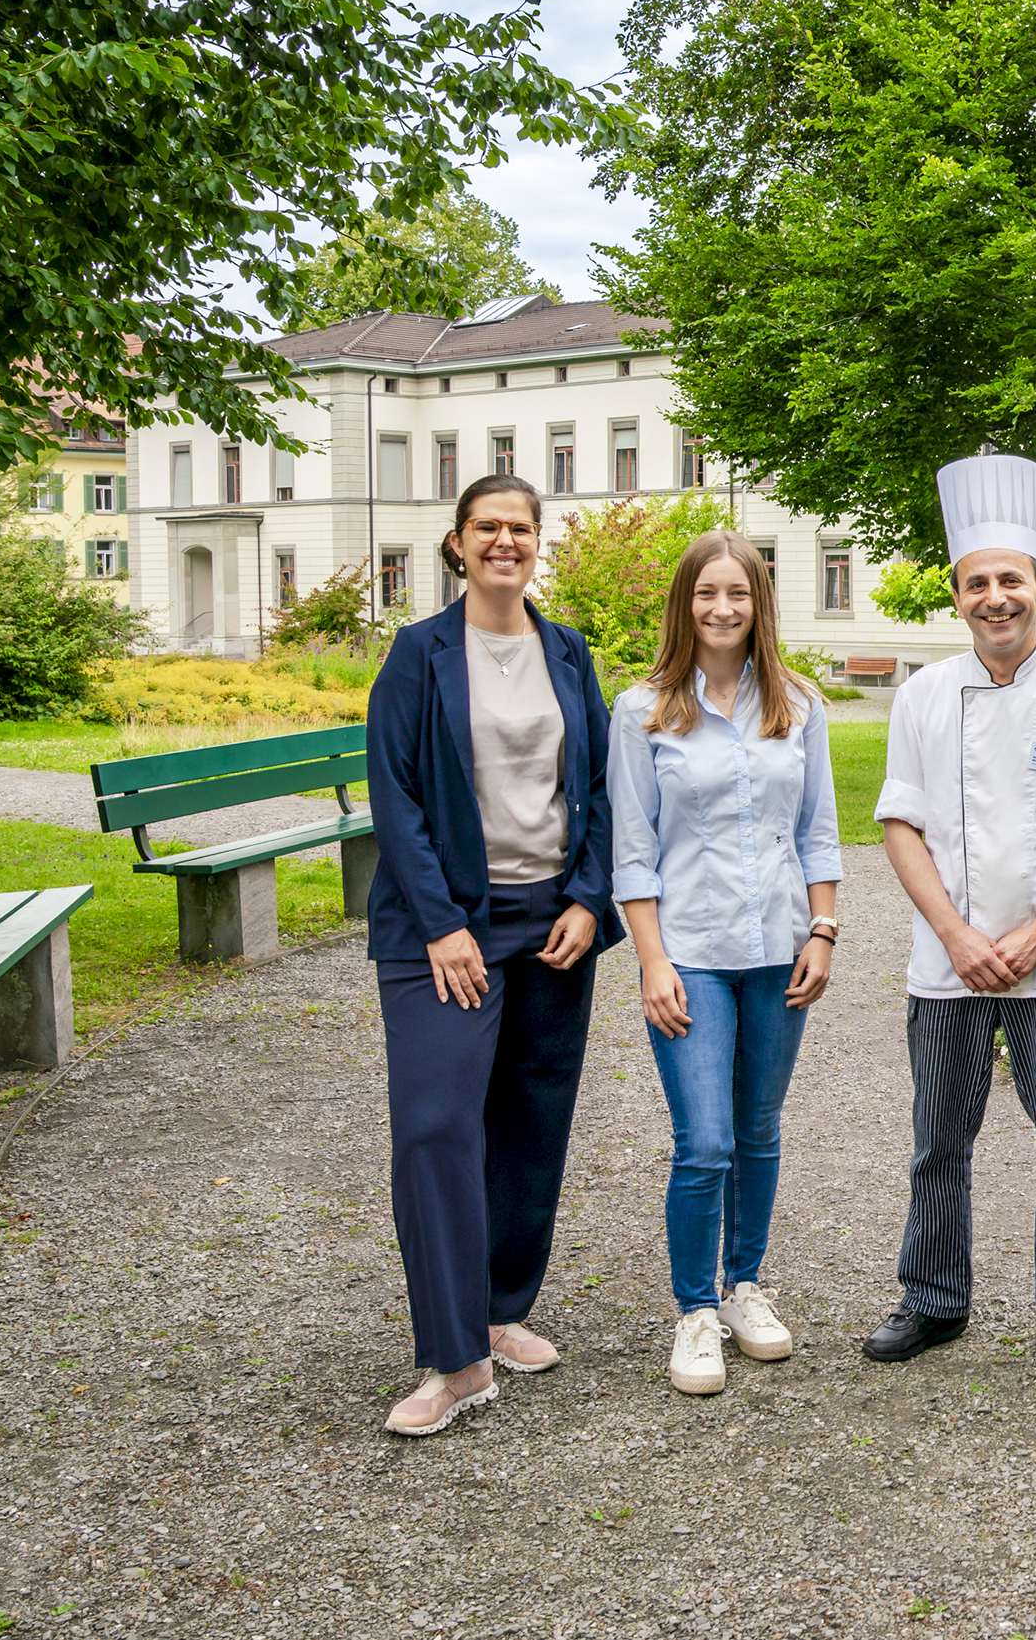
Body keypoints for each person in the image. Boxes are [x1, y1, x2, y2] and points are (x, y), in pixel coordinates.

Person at [865, 453, 1036, 1377]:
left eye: (1011, 580)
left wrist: (1033, 933)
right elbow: (899, 822)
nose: (996, 597)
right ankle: (933, 1299)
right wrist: (955, 933)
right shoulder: (920, 696)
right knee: (938, 1140)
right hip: (947, 966)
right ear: (957, 594)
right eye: (978, 582)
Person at [365, 474, 623, 1436]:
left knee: (530, 1121)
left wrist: (591, 901)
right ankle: (454, 1357)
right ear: (458, 541)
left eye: (519, 528)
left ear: (537, 541)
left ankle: (501, 1308)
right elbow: (394, 797)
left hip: (552, 925)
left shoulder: (566, 650)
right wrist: (441, 923)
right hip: (445, 930)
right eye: (488, 528)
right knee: (437, 1125)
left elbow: (600, 788)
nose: (504, 542)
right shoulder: (418, 655)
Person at [611, 530, 844, 1395]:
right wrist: (650, 961)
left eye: (738, 594)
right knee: (703, 1141)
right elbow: (631, 851)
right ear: (685, 603)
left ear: (759, 604)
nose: (721, 608)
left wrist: (822, 931)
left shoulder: (799, 706)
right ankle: (694, 1310)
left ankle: (745, 1285)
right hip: (692, 957)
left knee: (757, 1130)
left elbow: (817, 831)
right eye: (706, 593)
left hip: (779, 953)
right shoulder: (641, 710)